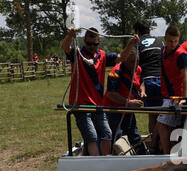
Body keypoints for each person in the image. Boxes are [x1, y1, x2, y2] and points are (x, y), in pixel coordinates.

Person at [61, 27, 139, 156]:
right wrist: (69, 36)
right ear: (84, 41)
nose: (92, 46)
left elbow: (121, 57)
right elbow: (65, 47)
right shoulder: (77, 54)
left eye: (95, 44)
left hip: (98, 105)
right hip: (81, 105)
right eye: (89, 43)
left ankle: (105, 161)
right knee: (91, 136)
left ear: (99, 42)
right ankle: (97, 166)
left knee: (107, 134)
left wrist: (131, 43)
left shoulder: (101, 56)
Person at [151, 25, 187, 154]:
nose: (173, 44)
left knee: (161, 125)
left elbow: (186, 76)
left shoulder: (182, 55)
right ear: (165, 39)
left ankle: (167, 155)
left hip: (176, 98)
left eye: (175, 41)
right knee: (168, 127)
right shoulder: (163, 51)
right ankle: (170, 154)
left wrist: (184, 98)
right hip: (167, 96)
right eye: (170, 41)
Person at [103, 49, 147, 155]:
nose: (135, 64)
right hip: (113, 110)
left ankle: (142, 157)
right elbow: (111, 94)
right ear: (125, 59)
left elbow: (141, 82)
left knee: (134, 135)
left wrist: (142, 91)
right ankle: (114, 159)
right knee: (116, 136)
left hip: (128, 109)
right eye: (132, 62)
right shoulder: (115, 72)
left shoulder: (138, 69)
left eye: (137, 61)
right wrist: (129, 102)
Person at [133, 20, 165, 135]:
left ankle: (154, 144)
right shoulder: (160, 42)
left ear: (137, 31)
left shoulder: (137, 43)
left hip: (147, 82)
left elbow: (134, 62)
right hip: (162, 81)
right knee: (163, 116)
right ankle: (160, 142)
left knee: (152, 116)